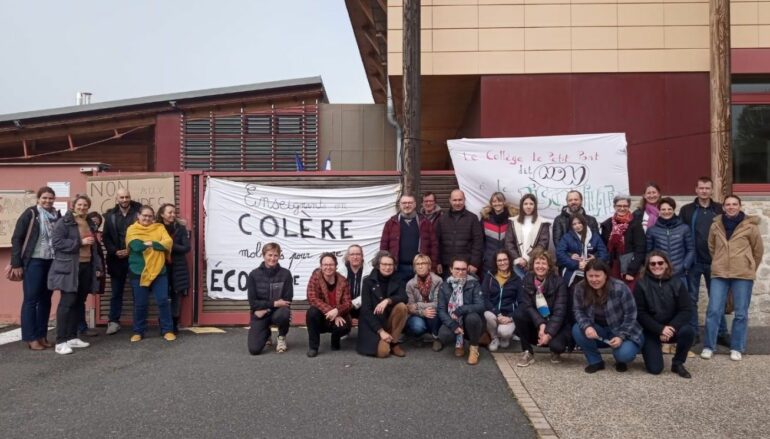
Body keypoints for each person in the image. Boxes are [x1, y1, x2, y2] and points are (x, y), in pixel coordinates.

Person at [702, 195, 764, 362]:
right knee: (714, 310)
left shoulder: (750, 226)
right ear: (723, 207)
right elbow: (711, 247)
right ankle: (709, 346)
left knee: (741, 313)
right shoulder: (716, 225)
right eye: (728, 204)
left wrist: (749, 266)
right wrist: (719, 261)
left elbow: (758, 251)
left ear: (739, 206)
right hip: (720, 273)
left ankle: (736, 347)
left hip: (742, 274)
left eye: (734, 204)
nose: (731, 207)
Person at [48, 195, 102, 355]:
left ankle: (72, 337)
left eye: (85, 205)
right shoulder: (64, 222)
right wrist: (80, 243)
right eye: (80, 204)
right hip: (70, 267)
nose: (82, 207)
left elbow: (94, 247)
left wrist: (96, 266)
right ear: (73, 205)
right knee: (67, 302)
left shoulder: (89, 222)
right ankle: (60, 341)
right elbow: (57, 243)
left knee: (79, 301)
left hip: (86, 266)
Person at [679, 177, 728, 345]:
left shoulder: (719, 209)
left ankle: (721, 333)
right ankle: (693, 333)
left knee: (717, 299)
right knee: (691, 299)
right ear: (696, 190)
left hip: (715, 262)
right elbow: (681, 234)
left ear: (712, 190)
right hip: (693, 263)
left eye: (707, 188)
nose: (704, 191)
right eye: (701, 188)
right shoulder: (687, 210)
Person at [572, 259, 644, 373]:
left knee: (624, 355)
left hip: (623, 329)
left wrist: (621, 336)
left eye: (597, 276)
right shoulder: (580, 287)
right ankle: (596, 361)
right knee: (577, 329)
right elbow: (578, 310)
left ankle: (620, 359)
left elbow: (631, 315)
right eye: (590, 276)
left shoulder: (620, 287)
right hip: (599, 330)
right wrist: (587, 327)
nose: (594, 279)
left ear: (606, 275)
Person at [11, 186, 60, 350]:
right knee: (31, 300)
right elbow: (17, 238)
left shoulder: (56, 216)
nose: (47, 201)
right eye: (44, 198)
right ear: (38, 199)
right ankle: (30, 338)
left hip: (51, 261)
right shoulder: (31, 213)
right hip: (34, 261)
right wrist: (16, 263)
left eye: (50, 198)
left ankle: (41, 335)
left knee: (46, 299)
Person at [634, 251, 694, 378]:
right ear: (648, 266)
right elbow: (640, 313)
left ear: (666, 264)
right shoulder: (641, 284)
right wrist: (660, 329)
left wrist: (670, 328)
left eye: (660, 263)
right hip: (650, 330)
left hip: (672, 329)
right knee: (655, 369)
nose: (657, 266)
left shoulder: (677, 283)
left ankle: (677, 363)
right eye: (653, 264)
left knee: (688, 331)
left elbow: (686, 310)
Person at [126, 205, 175, 343]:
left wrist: (152, 243)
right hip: (138, 271)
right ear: (138, 216)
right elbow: (136, 246)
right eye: (144, 215)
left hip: (159, 270)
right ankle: (138, 331)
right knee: (140, 303)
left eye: (150, 216)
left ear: (153, 217)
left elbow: (168, 242)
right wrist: (157, 244)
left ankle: (167, 330)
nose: (147, 218)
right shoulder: (132, 229)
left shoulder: (159, 227)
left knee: (163, 301)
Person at [513, 250, 571, 366]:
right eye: (537, 263)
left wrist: (548, 334)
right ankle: (527, 351)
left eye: (544, 263)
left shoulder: (559, 282)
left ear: (549, 266)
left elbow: (560, 312)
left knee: (557, 346)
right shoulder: (527, 279)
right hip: (537, 323)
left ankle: (554, 350)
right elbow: (528, 306)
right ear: (532, 265)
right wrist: (541, 324)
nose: (540, 266)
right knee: (519, 313)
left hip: (554, 323)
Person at [102, 188, 142, 335]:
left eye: (127, 197)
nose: (124, 200)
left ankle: (138, 323)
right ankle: (113, 322)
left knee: (137, 292)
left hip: (135, 257)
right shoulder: (110, 215)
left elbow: (145, 232)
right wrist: (114, 251)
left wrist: (131, 249)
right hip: (116, 260)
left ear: (130, 197)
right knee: (116, 292)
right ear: (117, 199)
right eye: (122, 197)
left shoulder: (139, 213)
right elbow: (105, 237)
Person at [357, 251, 409, 358]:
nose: (387, 267)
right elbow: (366, 310)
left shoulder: (398, 279)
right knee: (383, 352)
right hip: (374, 323)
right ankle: (386, 338)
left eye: (390, 264)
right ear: (378, 265)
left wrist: (387, 300)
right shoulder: (368, 281)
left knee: (402, 307)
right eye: (384, 264)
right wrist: (381, 331)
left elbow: (404, 297)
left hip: (389, 319)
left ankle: (394, 342)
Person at [436, 258, 486, 365]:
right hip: (454, 320)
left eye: (463, 269)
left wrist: (461, 310)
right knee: (444, 335)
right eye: (457, 269)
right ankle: (459, 344)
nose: (460, 272)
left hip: (471, 320)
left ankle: (474, 348)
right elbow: (441, 310)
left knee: (472, 318)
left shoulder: (474, 283)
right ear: (451, 269)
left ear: (467, 270)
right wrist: (452, 325)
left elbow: (481, 305)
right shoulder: (444, 286)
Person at [246, 242, 293, 355]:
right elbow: (253, 303)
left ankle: (281, 337)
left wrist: (267, 308)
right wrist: (274, 304)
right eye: (270, 255)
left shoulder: (286, 274)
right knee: (254, 350)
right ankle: (266, 334)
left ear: (279, 256)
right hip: (260, 314)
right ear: (263, 255)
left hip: (275, 312)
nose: (272, 258)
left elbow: (287, 300)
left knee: (284, 312)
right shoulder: (253, 275)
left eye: (276, 255)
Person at [380, 194, 438, 281]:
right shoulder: (391, 223)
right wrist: (384, 265)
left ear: (415, 204)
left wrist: (433, 267)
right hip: (398, 268)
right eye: (404, 203)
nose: (407, 205)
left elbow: (434, 245)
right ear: (400, 204)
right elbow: (384, 246)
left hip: (420, 268)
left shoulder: (425, 222)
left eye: (410, 203)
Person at [306, 253, 352, 357]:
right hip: (322, 317)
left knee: (344, 326)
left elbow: (348, 303)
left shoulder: (343, 280)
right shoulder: (315, 278)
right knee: (312, 312)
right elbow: (312, 298)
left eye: (331, 264)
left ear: (336, 266)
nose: (328, 267)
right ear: (321, 266)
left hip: (339, 315)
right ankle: (313, 347)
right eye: (325, 265)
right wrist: (332, 311)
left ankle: (335, 341)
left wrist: (337, 311)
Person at [157, 204, 191, 334]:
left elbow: (186, 248)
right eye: (169, 212)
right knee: (162, 296)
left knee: (176, 296)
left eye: (174, 212)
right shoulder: (156, 228)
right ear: (162, 214)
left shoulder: (180, 228)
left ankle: (174, 323)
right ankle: (164, 323)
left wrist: (169, 245)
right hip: (161, 266)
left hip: (177, 268)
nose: (172, 215)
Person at [600, 195, 646, 289]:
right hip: (612, 265)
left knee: (629, 292)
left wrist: (631, 271)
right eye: (619, 206)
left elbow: (640, 249)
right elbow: (603, 246)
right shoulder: (607, 224)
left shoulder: (635, 224)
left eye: (625, 206)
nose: (622, 208)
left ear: (629, 207)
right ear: (614, 206)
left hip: (628, 266)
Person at [435, 189, 483, 277]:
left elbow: (478, 242)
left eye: (460, 200)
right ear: (450, 200)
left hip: (466, 267)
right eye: (455, 200)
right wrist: (437, 262)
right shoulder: (442, 219)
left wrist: (474, 263)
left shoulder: (473, 218)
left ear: (464, 200)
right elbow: (436, 242)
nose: (457, 203)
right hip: (447, 267)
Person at [645, 197, 694, 283]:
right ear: (659, 211)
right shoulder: (652, 230)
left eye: (669, 209)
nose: (666, 212)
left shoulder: (684, 228)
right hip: (660, 274)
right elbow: (648, 252)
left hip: (680, 274)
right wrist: (655, 267)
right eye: (663, 209)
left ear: (674, 210)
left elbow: (691, 249)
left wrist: (685, 266)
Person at [482, 249, 520, 352]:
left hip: (508, 315)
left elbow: (521, 302)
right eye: (499, 260)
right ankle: (494, 338)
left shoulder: (516, 279)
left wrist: (511, 317)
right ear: (495, 262)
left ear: (509, 260)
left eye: (505, 259)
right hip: (494, 313)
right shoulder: (489, 276)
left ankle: (505, 337)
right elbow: (485, 298)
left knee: (504, 335)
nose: (502, 263)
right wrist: (498, 314)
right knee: (487, 315)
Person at [505, 194, 551, 279]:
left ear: (535, 206)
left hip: (535, 264)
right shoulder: (513, 221)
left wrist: (527, 258)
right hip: (516, 264)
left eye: (531, 204)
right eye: (525, 204)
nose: (528, 206)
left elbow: (543, 243)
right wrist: (518, 259)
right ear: (521, 206)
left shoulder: (543, 222)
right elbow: (509, 242)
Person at [556, 214, 609, 288]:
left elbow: (604, 253)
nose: (577, 226)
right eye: (574, 224)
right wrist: (577, 264)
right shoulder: (567, 237)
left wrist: (595, 260)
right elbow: (560, 253)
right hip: (574, 272)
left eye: (579, 223)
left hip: (593, 271)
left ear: (584, 223)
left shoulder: (595, 236)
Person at [405, 254, 443, 349]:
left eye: (423, 263)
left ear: (429, 266)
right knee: (417, 326)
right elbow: (410, 308)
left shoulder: (438, 280)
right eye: (417, 264)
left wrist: (418, 305)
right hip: (418, 314)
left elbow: (437, 303)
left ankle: (436, 338)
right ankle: (418, 337)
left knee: (433, 312)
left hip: (433, 312)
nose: (420, 266)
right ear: (414, 267)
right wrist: (422, 312)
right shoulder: (410, 284)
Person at [77, 211, 106, 337]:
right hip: (75, 268)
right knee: (73, 300)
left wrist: (98, 269)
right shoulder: (78, 231)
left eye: (97, 223)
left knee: (81, 299)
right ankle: (74, 328)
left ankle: (81, 327)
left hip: (87, 269)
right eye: (93, 222)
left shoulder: (93, 236)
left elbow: (96, 255)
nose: (94, 225)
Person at [479, 192, 518, 276]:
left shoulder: (512, 219)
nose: (497, 204)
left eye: (500, 201)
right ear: (491, 203)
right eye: (494, 201)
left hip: (507, 260)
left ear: (504, 202)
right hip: (489, 260)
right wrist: (484, 256)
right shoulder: (486, 218)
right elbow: (480, 239)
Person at [344, 244, 366, 320]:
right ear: (348, 257)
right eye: (352, 254)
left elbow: (368, 295)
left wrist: (353, 304)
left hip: (364, 310)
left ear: (362, 256)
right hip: (345, 310)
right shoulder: (340, 273)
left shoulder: (369, 273)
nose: (355, 257)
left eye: (358, 254)